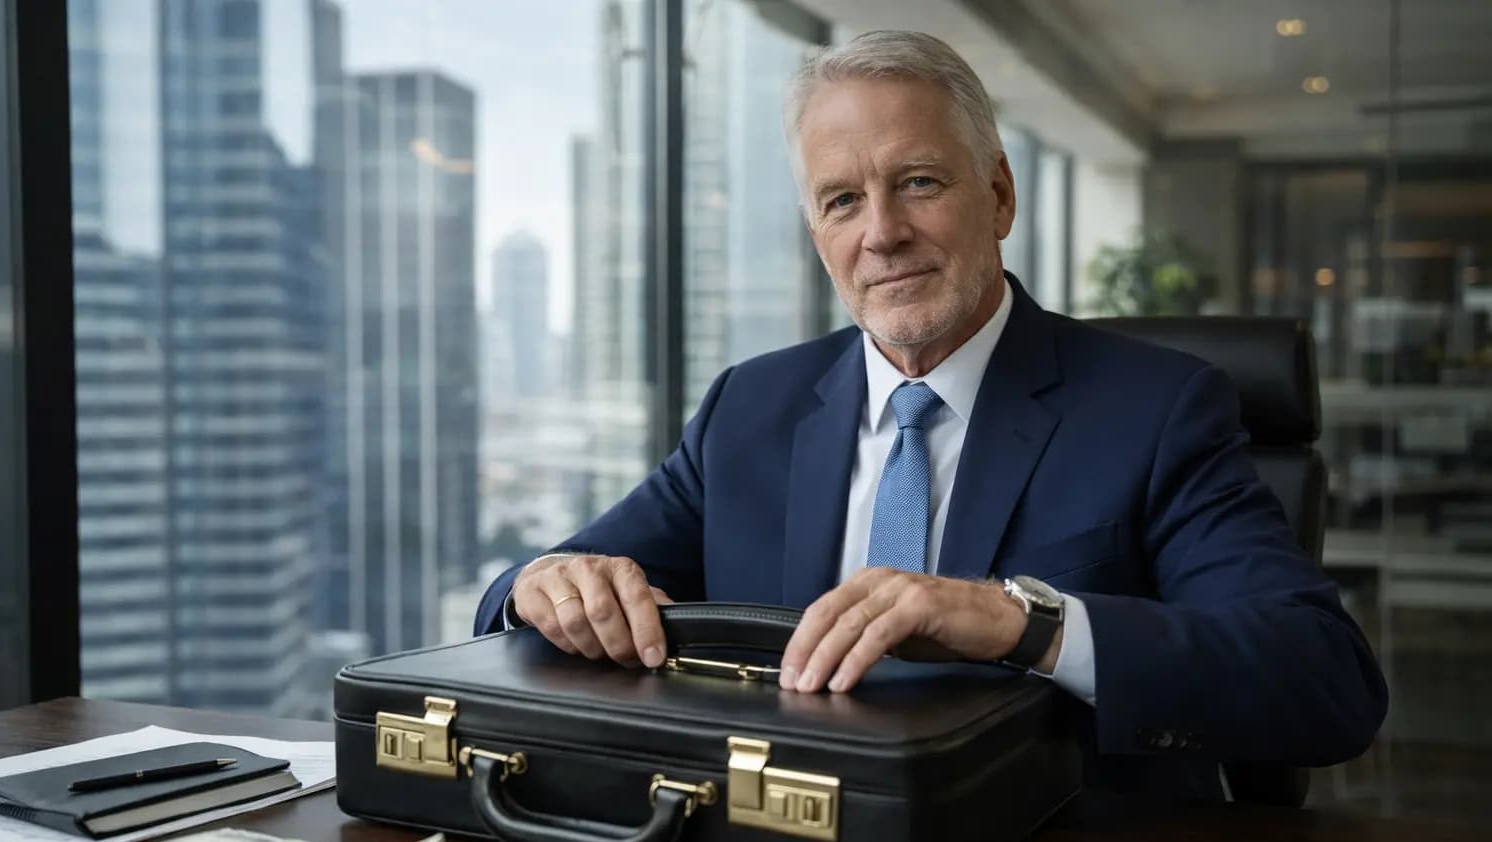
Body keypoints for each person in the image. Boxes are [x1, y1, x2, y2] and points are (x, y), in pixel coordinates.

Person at [473, 30, 1387, 800]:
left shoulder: (1158, 407)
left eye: (917, 182)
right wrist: (541, 584)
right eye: (841, 201)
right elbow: (547, 582)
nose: (881, 233)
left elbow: (1325, 680)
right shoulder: (749, 406)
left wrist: (1025, 625)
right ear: (818, 237)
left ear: (999, 195)